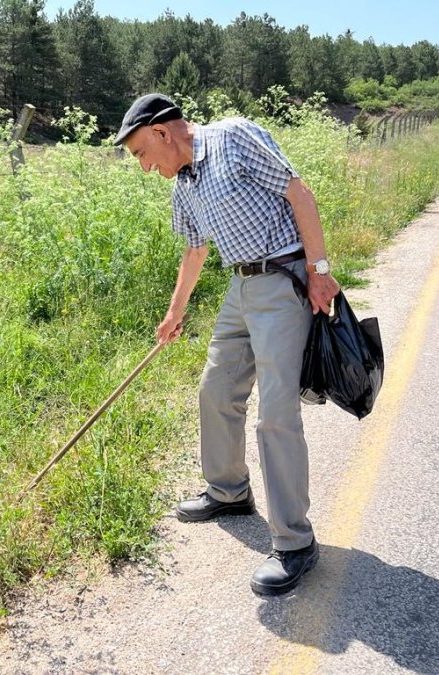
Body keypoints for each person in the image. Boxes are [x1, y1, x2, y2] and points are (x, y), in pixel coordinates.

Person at [114, 93, 340, 595]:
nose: (146, 167)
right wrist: (175, 312)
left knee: (275, 413)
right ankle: (229, 490)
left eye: (141, 154)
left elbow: (299, 193)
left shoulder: (234, 138)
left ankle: (296, 543)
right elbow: (196, 250)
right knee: (216, 389)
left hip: (283, 279)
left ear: (161, 133)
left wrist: (320, 271)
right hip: (240, 287)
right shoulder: (185, 185)